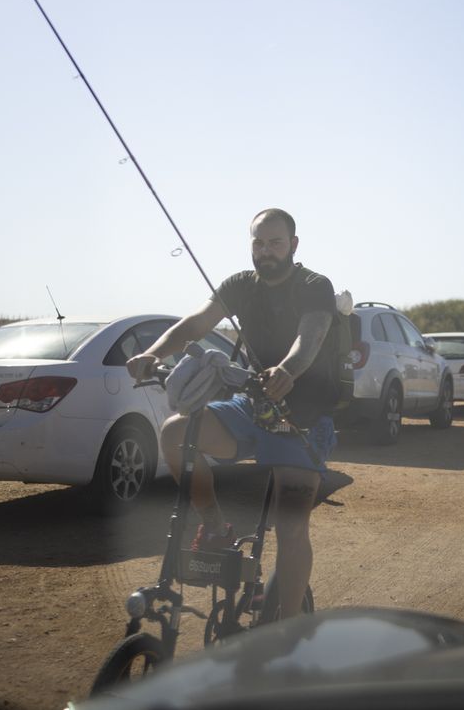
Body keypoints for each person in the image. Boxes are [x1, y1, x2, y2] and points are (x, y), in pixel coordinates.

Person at [126, 207, 340, 620]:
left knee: (292, 528)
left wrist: (288, 370)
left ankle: (288, 626)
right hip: (252, 407)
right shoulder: (241, 285)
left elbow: (310, 337)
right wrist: (153, 353)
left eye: (275, 243)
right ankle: (218, 530)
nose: (266, 251)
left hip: (303, 422)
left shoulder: (315, 285)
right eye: (258, 243)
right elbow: (196, 324)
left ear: (293, 245)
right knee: (175, 435)